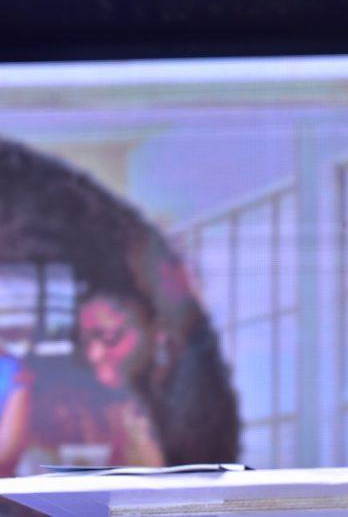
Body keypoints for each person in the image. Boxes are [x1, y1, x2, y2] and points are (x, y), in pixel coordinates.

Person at [0, 137, 240, 474]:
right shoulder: (80, 400)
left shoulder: (179, 405)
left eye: (110, 337)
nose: (96, 353)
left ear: (159, 333)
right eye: (87, 342)